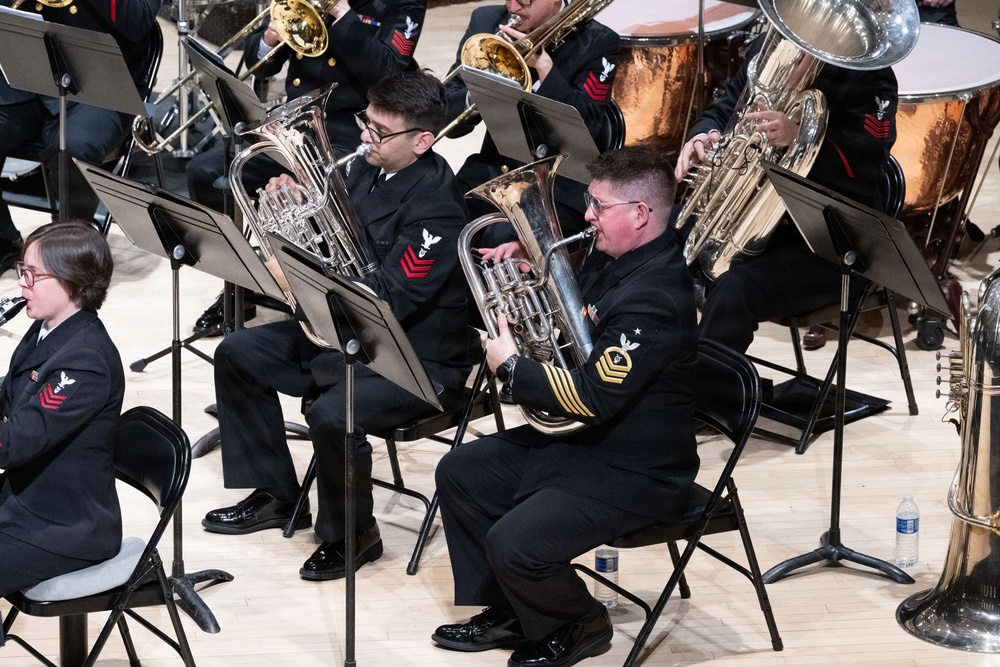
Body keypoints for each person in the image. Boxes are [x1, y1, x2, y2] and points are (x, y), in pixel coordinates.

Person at [431, 147, 699, 667]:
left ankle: (578, 623)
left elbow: (592, 395)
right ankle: (514, 608)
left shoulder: (659, 296)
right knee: (461, 470)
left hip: (638, 471)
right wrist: (535, 273)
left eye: (599, 206)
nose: (587, 215)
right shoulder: (612, 256)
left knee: (515, 543)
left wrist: (511, 367)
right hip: (588, 443)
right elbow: (581, 324)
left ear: (640, 214)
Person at [201, 70, 472, 582]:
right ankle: (278, 497)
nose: (365, 137)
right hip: (346, 335)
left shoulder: (437, 209)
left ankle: (353, 535)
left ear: (423, 141)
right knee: (238, 353)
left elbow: (388, 300)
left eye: (380, 132)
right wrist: (291, 214)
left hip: (414, 359)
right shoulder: (368, 169)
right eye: (365, 123)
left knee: (333, 412)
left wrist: (300, 274)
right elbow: (334, 239)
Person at [186, 0, 427, 334]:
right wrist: (270, 39)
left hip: (352, 135)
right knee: (206, 171)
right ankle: (240, 284)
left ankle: (315, 294)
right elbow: (260, 67)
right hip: (293, 129)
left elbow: (391, 73)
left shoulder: (403, 4)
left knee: (312, 195)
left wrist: (342, 16)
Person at [676, 35, 898, 354]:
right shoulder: (771, 49)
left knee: (734, 290)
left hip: (824, 245)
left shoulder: (870, 74)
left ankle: (706, 395)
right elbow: (725, 110)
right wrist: (705, 135)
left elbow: (867, 167)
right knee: (657, 236)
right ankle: (646, 364)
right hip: (749, 217)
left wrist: (800, 138)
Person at [0, 221, 123, 642]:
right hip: (23, 502)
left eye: (32, 274)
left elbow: (15, 443)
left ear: (72, 281)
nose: (22, 284)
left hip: (64, 527)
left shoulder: (84, 361)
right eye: (22, 270)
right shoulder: (44, 329)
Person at [0, 0, 161, 274]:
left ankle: (71, 255)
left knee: (73, 147)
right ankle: (3, 239)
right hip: (30, 80)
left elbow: (137, 23)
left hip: (102, 86)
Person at [443, 0, 619, 241]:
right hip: (497, 167)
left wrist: (545, 68)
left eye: (525, 0)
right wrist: (476, 92)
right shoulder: (486, 22)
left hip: (559, 185)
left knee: (501, 236)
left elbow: (591, 126)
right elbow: (446, 110)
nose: (514, 7)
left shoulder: (598, 41)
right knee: (439, 214)